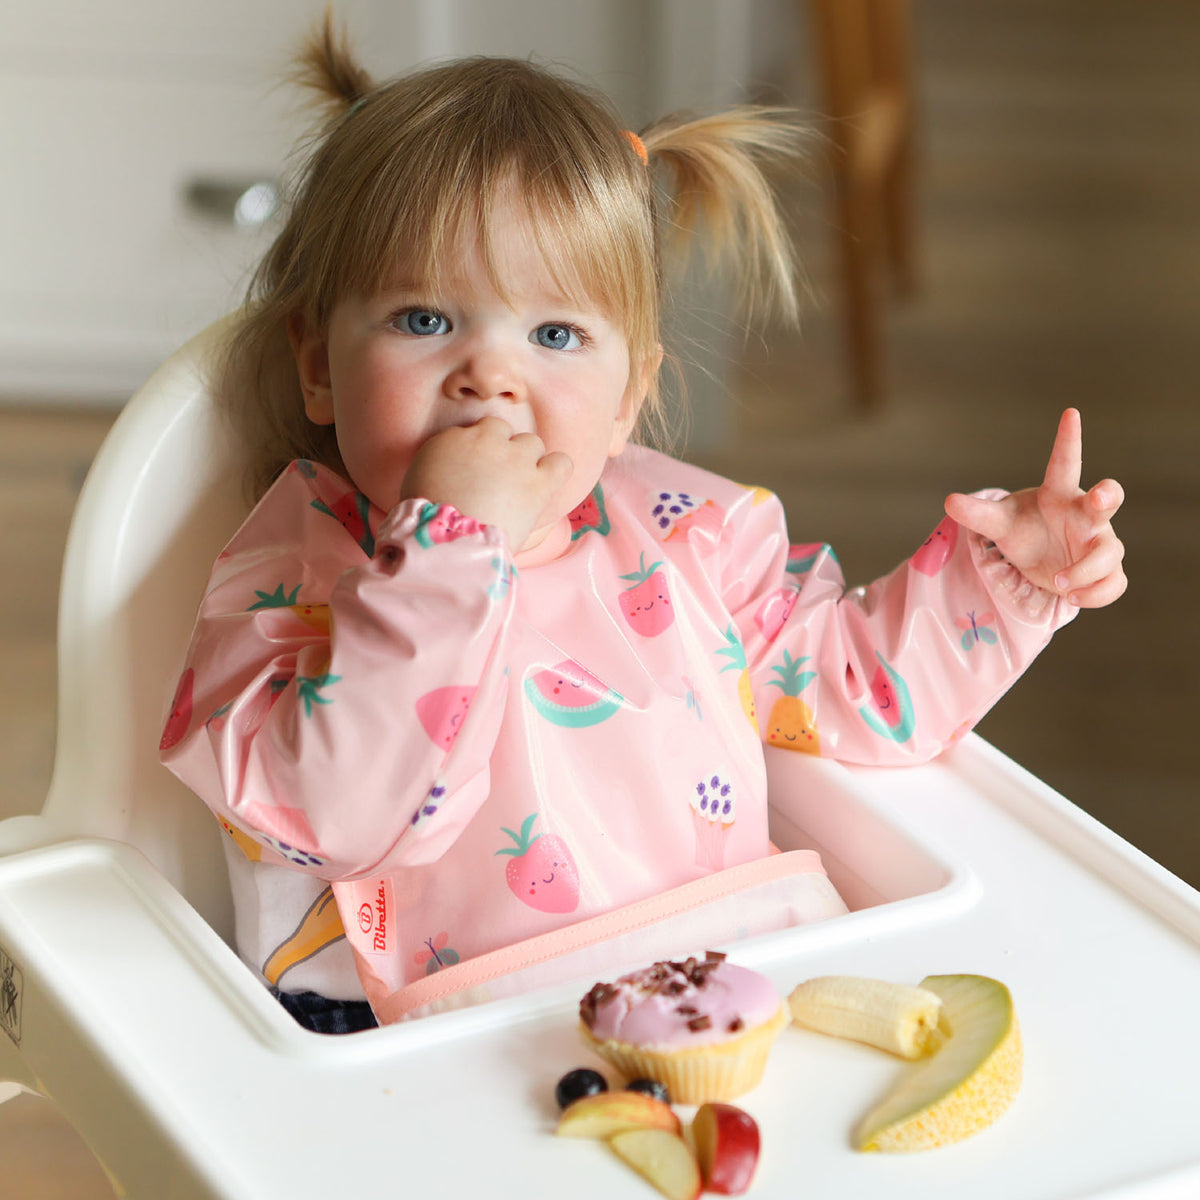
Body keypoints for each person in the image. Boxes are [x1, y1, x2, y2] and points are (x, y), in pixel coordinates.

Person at [161, 18, 1126, 1034]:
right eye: (425, 320)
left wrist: (1002, 584)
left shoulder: (692, 536)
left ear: (628, 397)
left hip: (742, 973)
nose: (490, 377)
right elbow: (344, 818)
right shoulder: (282, 584)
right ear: (317, 362)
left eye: (555, 334)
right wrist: (447, 549)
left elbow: (852, 690)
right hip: (443, 1031)